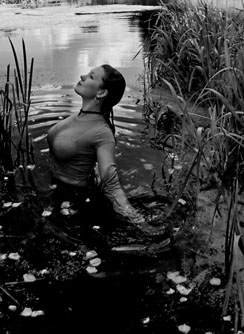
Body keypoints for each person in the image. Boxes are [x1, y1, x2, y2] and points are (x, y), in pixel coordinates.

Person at [45, 62, 164, 239]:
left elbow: (111, 184)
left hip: (74, 201)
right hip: (53, 188)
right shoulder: (77, 117)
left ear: (101, 93)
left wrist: (139, 222)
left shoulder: (103, 134)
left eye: (91, 76)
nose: (82, 77)